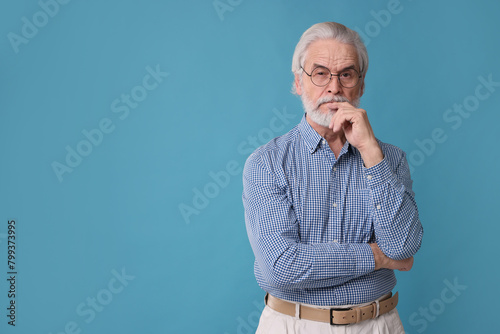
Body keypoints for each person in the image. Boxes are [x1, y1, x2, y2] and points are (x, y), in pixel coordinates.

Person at [242, 22, 423, 333]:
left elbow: (403, 248)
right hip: (294, 325)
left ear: (361, 85)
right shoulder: (267, 162)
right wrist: (377, 257)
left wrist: (370, 151)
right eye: (320, 73)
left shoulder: (390, 159)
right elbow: (281, 266)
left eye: (346, 74)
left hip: (379, 325)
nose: (334, 87)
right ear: (299, 82)